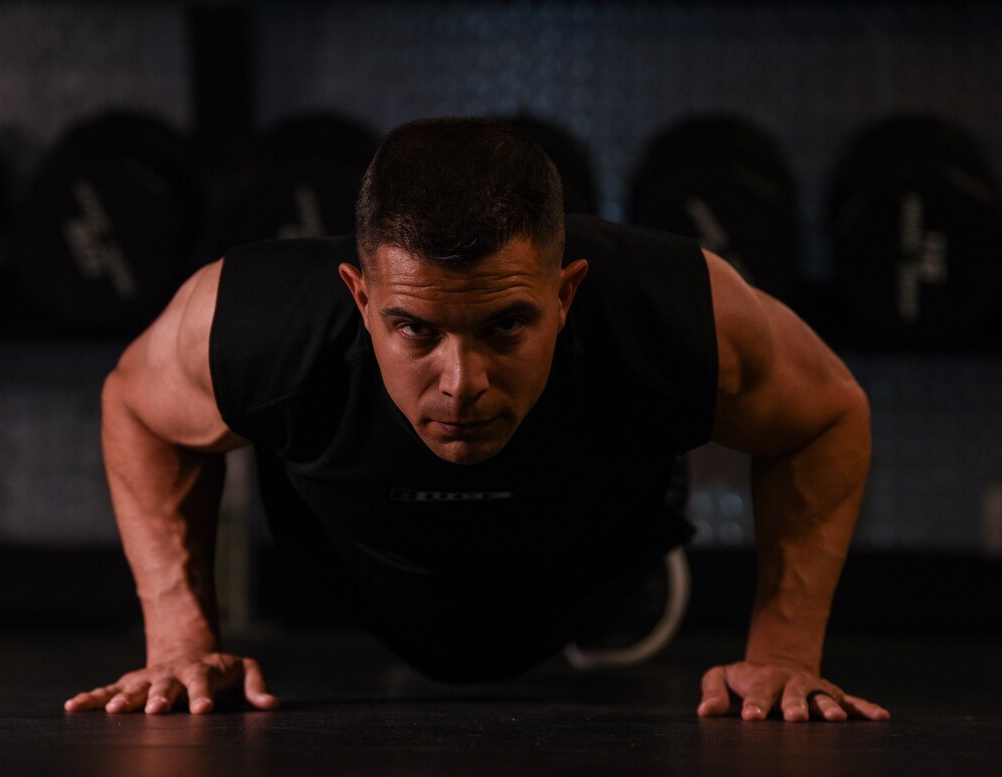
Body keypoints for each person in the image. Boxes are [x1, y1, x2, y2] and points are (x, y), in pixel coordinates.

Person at [64, 117, 889, 722]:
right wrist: (178, 637)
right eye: (415, 329)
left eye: (505, 326)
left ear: (565, 294)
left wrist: (782, 652)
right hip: (358, 574)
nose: (460, 384)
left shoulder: (671, 305)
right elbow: (136, 407)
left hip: (595, 570)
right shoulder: (253, 320)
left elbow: (826, 415)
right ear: (359, 297)